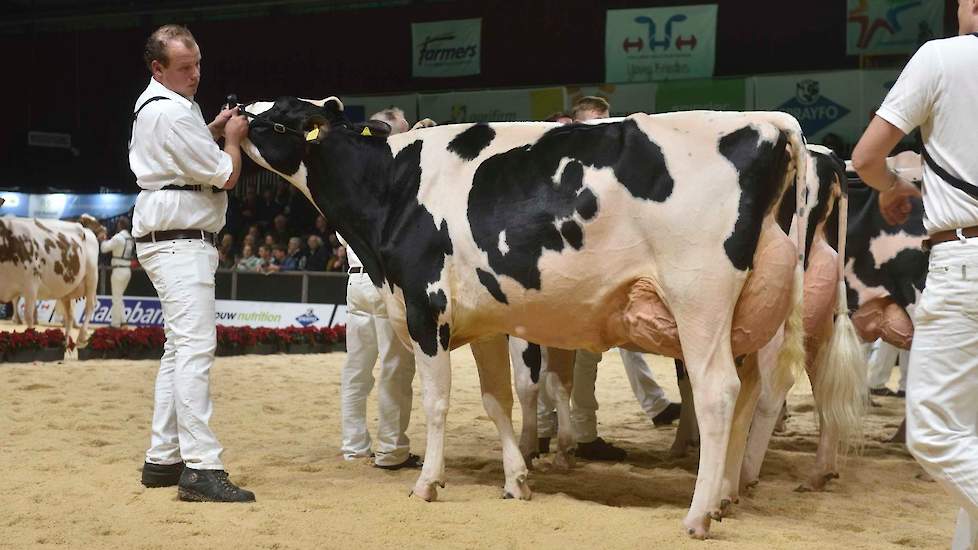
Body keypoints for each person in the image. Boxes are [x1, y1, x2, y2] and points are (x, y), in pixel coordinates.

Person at [852, 4, 978, 547]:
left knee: (934, 435)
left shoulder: (942, 57)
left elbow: (866, 157)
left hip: (966, 260)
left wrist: (892, 186)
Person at [129, 23, 253, 502]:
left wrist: (211, 130)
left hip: (167, 238)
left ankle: (163, 458)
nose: (195, 74)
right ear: (158, 68)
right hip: (181, 243)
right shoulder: (173, 113)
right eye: (184, 67)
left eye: (197, 63)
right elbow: (224, 176)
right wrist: (234, 140)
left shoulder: (159, 108)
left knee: (178, 351)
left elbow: (179, 154)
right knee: (195, 352)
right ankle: (202, 467)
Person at [340, 107, 420, 470]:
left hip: (355, 278)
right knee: (395, 371)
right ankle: (391, 450)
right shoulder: (397, 177)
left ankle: (354, 446)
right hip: (387, 280)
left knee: (357, 370)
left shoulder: (351, 177)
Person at [98, 216, 135, 328]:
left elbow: (104, 248)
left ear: (120, 225)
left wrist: (102, 239)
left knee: (116, 298)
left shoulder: (119, 237)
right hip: (127, 270)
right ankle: (123, 322)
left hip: (118, 270)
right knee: (119, 296)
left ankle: (115, 324)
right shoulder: (130, 238)